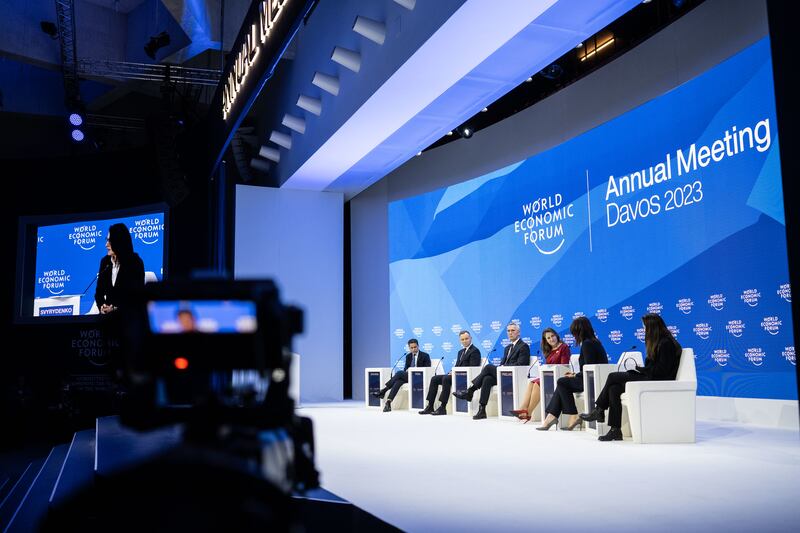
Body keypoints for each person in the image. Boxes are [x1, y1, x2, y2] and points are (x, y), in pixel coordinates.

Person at [580, 313, 682, 441]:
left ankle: (599, 410)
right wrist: (643, 369)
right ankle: (615, 430)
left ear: (652, 327)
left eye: (644, 327)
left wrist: (642, 369)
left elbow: (662, 371)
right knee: (614, 389)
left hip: (658, 381)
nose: (643, 330)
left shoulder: (666, 343)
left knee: (612, 376)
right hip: (651, 377)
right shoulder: (658, 342)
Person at [537, 317, 607, 431]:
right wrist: (575, 374)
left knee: (561, 382)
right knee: (562, 384)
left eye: (574, 332)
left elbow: (589, 369)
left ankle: (566, 415)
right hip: (593, 378)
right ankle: (553, 416)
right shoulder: (594, 341)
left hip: (591, 381)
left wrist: (576, 376)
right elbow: (589, 367)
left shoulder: (587, 344)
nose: (574, 336)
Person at [453, 323, 530, 420]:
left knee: (489, 367)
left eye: (513, 330)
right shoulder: (507, 348)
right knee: (487, 379)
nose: (510, 333)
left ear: (518, 333)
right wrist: (502, 367)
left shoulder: (523, 346)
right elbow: (503, 362)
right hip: (503, 375)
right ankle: (482, 410)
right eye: (508, 331)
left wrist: (503, 367)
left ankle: (470, 391)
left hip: (514, 376)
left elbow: (521, 364)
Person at [511, 327, 570, 422]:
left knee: (537, 384)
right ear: (546, 340)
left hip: (558, 376)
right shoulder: (550, 350)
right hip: (548, 376)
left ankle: (528, 413)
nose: (551, 339)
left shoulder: (564, 347)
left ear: (556, 335)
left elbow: (564, 366)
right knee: (532, 383)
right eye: (548, 338)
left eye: (552, 336)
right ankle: (523, 408)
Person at [419, 330, 480, 416]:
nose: (464, 341)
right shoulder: (460, 352)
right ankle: (430, 405)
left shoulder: (475, 351)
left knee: (446, 378)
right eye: (462, 339)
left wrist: (455, 372)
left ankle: (443, 407)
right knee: (435, 378)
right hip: (456, 375)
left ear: (471, 338)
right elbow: (457, 365)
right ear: (460, 340)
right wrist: (452, 371)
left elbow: (473, 367)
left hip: (465, 376)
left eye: (466, 339)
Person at [94, 223, 145, 314]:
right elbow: (99, 293)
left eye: (110, 241)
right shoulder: (105, 262)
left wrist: (115, 309)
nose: (106, 245)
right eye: (107, 240)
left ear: (119, 242)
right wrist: (102, 306)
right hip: (107, 319)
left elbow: (136, 298)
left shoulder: (135, 262)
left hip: (128, 317)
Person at [373, 339, 430, 412]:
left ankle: (384, 390)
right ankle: (388, 403)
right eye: (411, 348)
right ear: (409, 348)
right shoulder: (408, 356)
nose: (413, 349)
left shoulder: (425, 355)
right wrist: (407, 371)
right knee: (398, 382)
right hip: (409, 376)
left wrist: (416, 370)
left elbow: (428, 368)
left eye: (415, 347)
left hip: (419, 376)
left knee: (399, 373)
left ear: (418, 346)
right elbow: (405, 368)